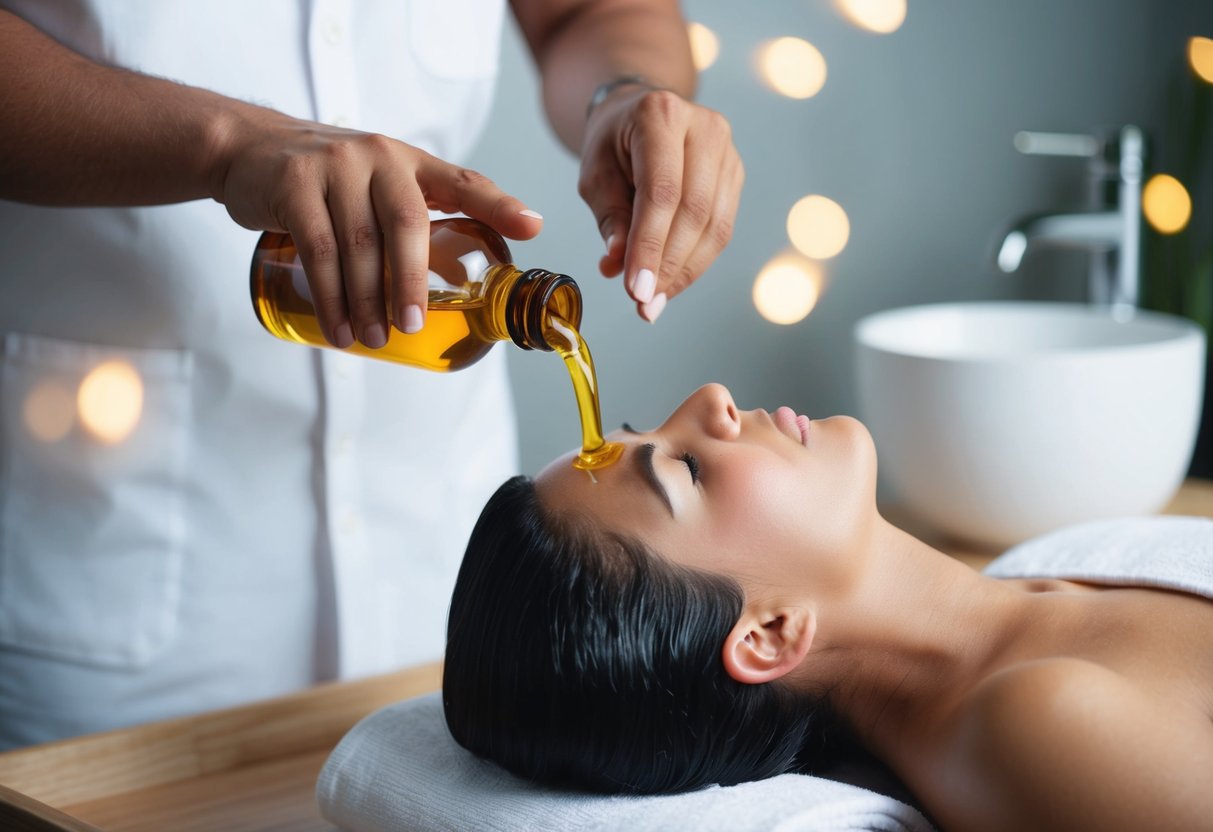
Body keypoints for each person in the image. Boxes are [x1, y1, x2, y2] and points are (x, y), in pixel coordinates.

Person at [0, 1, 743, 749]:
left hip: (433, 572)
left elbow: (590, 11)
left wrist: (618, 93)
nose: (714, 404)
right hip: (112, 575)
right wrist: (223, 145)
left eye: (684, 470)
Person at [444, 383, 1213, 832]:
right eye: (686, 468)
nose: (709, 399)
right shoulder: (1038, 722)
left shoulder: (1048, 565)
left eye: (646, 425)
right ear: (769, 633)